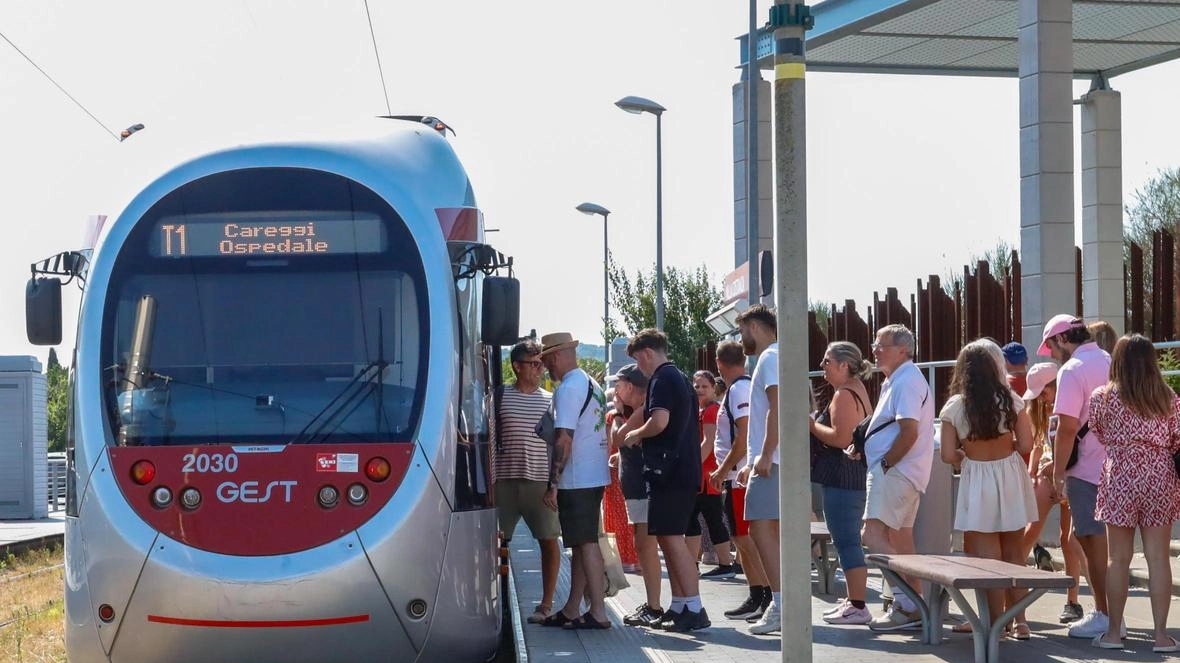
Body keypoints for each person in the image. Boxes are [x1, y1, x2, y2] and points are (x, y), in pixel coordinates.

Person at [939, 339, 1038, 639]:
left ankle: (995, 622)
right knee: (1014, 552)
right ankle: (1020, 622)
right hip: (1009, 474)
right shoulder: (1010, 399)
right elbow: (1027, 444)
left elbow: (946, 454)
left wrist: (965, 456)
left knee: (988, 561)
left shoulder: (955, 406)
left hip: (977, 479)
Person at [1088, 334, 1180, 652]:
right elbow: (1176, 439)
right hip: (1159, 475)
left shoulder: (1102, 397)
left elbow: (1097, 430)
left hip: (1120, 476)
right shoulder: (1167, 397)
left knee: (1118, 559)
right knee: (1158, 558)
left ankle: (1114, 634)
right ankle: (1160, 636)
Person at [621, 329, 710, 632]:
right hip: (681, 471)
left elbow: (659, 422)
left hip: (669, 473)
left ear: (646, 353)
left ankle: (694, 608)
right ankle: (681, 604)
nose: (639, 368)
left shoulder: (661, 378)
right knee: (668, 538)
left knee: (672, 540)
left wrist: (635, 433)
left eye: (637, 360)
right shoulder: (680, 378)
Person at [1039, 315, 1118, 639]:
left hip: (1085, 469)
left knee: (1091, 541)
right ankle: (1111, 614)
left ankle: (1105, 614)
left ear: (1060, 340)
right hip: (1115, 464)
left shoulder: (1072, 370)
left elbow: (1067, 427)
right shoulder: (1110, 359)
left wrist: (1058, 473)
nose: (1052, 354)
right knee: (1103, 544)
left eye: (1051, 346)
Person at [860, 323, 935, 632]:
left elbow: (909, 431)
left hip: (896, 472)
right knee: (901, 540)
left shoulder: (905, 381)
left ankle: (908, 603)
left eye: (882, 345)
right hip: (902, 472)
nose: (875, 350)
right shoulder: (898, 379)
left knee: (872, 536)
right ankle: (913, 604)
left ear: (903, 350)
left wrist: (886, 463)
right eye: (876, 344)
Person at [537, 332, 612, 630]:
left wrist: (552, 483)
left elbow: (564, 439)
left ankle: (598, 611)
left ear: (555, 357)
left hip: (577, 477)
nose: (546, 370)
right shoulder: (590, 382)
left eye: (545, 363)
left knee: (585, 543)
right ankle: (572, 608)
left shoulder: (568, 388)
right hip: (593, 474)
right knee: (582, 542)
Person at [490, 340, 562, 624]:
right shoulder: (498, 397)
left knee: (548, 541)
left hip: (540, 484)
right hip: (503, 483)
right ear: (516, 366)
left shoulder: (550, 400)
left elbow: (558, 444)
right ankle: (495, 601)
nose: (540, 369)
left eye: (541, 363)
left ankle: (546, 604)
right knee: (494, 546)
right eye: (534, 364)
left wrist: (554, 485)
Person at [808, 341, 873, 625]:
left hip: (843, 478)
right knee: (845, 540)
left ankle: (858, 604)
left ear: (844, 365)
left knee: (846, 541)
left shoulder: (844, 395)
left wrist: (810, 425)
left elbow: (841, 438)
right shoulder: (855, 390)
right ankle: (853, 600)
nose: (822, 367)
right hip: (849, 476)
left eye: (827, 361)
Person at [709, 340, 772, 621]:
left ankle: (767, 595)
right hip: (735, 475)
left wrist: (724, 469)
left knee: (746, 539)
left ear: (719, 364)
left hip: (739, 476)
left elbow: (744, 435)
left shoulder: (738, 390)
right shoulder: (737, 389)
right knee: (739, 537)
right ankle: (756, 593)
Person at [1019, 362, 1086, 624]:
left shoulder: (1070, 404)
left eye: (1043, 392)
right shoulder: (1042, 410)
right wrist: (1032, 470)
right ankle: (1012, 594)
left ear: (1054, 386)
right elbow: (1038, 443)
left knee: (1070, 540)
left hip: (1070, 473)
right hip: (1049, 475)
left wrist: (1055, 467)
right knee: (1029, 531)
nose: (1040, 399)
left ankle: (1073, 601)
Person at [733, 304, 783, 636]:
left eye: (741, 331)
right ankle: (783, 602)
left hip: (773, 460)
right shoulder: (777, 356)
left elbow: (778, 406)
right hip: (771, 459)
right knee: (770, 533)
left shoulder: (770, 357)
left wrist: (763, 455)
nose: (741, 340)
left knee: (760, 532)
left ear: (753, 326)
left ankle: (780, 604)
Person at [612, 364, 665, 628]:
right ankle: (657, 604)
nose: (615, 390)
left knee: (647, 546)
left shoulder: (644, 411)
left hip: (645, 486)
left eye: (618, 385)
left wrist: (623, 416)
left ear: (630, 386)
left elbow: (622, 438)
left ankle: (655, 606)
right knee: (645, 546)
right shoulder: (634, 412)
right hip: (636, 488)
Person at [689, 369, 736, 577]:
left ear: (713, 388)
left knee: (708, 519)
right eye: (696, 385)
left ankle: (721, 564)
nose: (699, 389)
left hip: (706, 476)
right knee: (706, 519)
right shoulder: (702, 410)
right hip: (705, 475)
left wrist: (690, 466)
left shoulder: (710, 411)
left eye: (704, 386)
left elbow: (708, 442)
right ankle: (700, 563)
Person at [602, 387, 639, 573]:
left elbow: (610, 444)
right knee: (633, 516)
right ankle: (636, 557)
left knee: (617, 515)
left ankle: (622, 558)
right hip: (633, 469)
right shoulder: (638, 414)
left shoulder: (613, 417)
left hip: (614, 468)